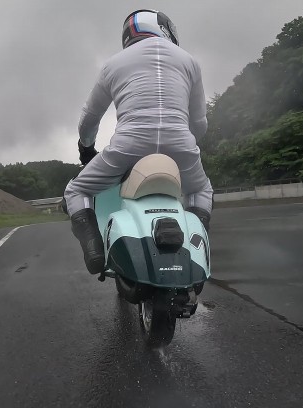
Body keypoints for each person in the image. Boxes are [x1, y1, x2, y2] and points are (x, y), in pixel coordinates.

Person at [64, 9, 214, 275]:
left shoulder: (112, 64)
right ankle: (196, 250)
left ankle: (94, 250)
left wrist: (86, 147)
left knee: (76, 191)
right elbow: (199, 123)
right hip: (181, 146)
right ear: (165, 29)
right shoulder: (190, 61)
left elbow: (90, 118)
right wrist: (187, 143)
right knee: (201, 191)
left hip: (128, 146)